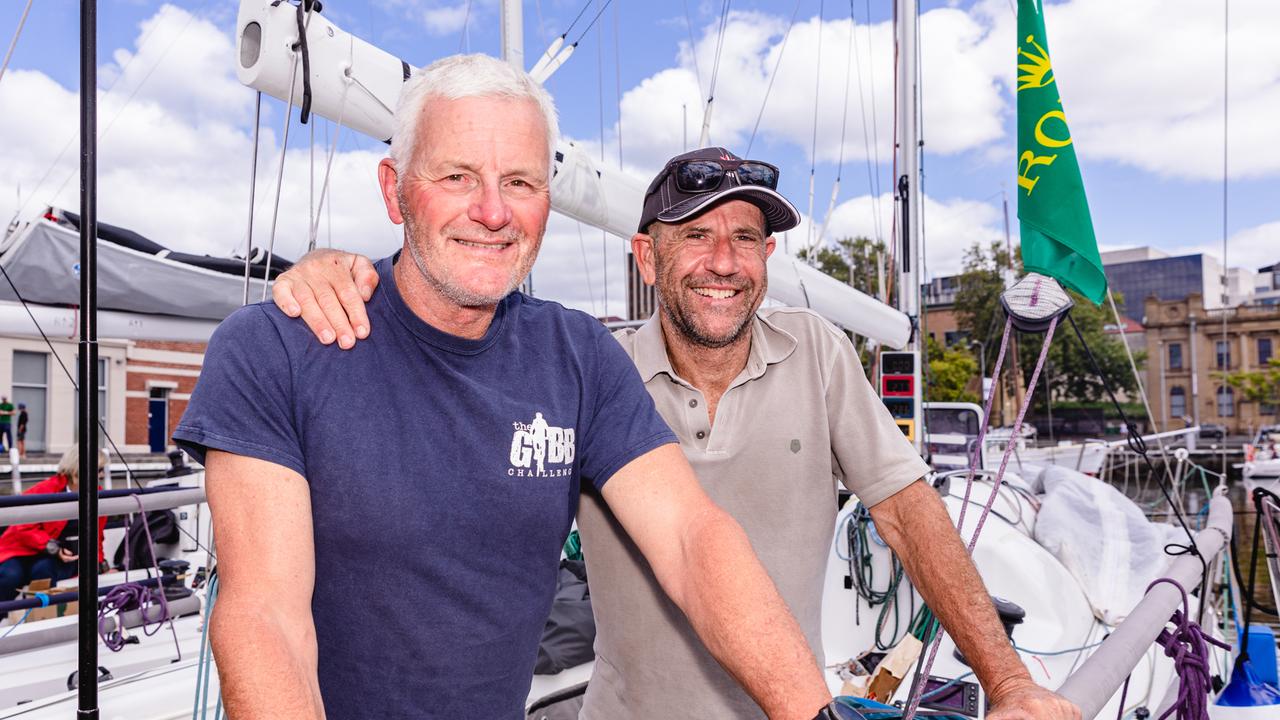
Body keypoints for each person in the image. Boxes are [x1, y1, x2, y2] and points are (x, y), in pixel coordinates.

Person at [274, 147, 1080, 720]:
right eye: (695, 236)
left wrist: (1007, 683)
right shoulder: (590, 370)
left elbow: (908, 514)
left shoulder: (821, 354)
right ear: (647, 259)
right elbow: (440, 368)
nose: (724, 262)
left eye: (748, 239)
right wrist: (345, 282)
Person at [173, 55, 837, 720]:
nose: (492, 212)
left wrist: (815, 714)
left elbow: (694, 541)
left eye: (520, 181)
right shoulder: (275, 349)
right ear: (394, 188)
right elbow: (266, 617)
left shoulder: (579, 357)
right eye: (457, 175)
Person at [0, 444, 108, 606]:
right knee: (9, 575)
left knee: (43, 571)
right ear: (78, 469)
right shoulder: (46, 489)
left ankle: (41, 618)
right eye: (99, 470)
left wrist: (99, 563)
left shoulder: (98, 497)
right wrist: (53, 548)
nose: (101, 475)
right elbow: (23, 526)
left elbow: (96, 537)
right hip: (23, 549)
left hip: (63, 556)